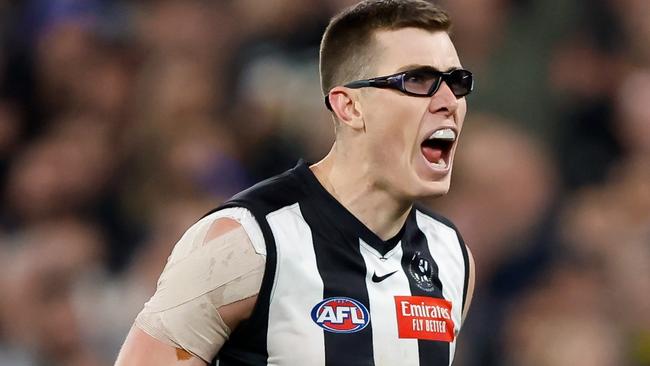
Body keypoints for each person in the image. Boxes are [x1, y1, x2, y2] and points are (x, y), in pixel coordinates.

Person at [115, 0, 476, 365]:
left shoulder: (451, 257)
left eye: (457, 82)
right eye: (418, 80)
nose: (449, 101)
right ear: (349, 107)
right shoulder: (245, 242)